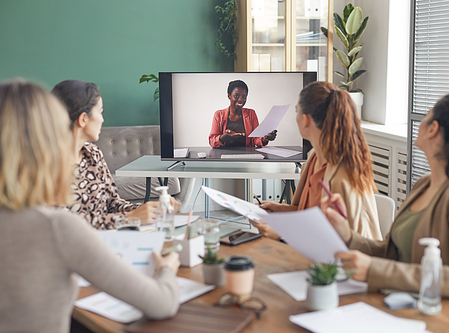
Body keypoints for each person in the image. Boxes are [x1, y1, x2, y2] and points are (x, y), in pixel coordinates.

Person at [0, 79, 180, 332]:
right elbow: (163, 302)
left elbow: (111, 202)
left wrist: (141, 211)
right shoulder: (55, 228)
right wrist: (167, 269)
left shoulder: (92, 154)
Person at [322, 92, 449, 310]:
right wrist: (348, 236)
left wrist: (374, 271)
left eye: (426, 115)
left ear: (433, 128)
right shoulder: (424, 184)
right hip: (406, 307)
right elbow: (393, 253)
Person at [252, 81, 382, 241]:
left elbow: (333, 241)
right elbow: (309, 215)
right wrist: (278, 209)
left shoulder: (341, 178)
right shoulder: (314, 158)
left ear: (305, 119)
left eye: (296, 111)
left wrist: (279, 235)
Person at [52, 80, 180, 230]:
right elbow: (61, 223)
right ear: (83, 119)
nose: (102, 119)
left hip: (108, 242)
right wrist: (129, 218)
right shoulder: (46, 163)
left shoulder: (93, 154)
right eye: (100, 112)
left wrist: (148, 210)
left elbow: (113, 203)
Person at [209, 80, 277, 148]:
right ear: (229, 96)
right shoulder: (218, 115)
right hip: (224, 154)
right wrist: (225, 136)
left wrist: (265, 139)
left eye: (244, 97)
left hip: (247, 155)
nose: (241, 99)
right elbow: (212, 142)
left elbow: (255, 139)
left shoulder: (251, 114)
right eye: (236, 96)